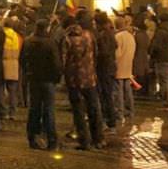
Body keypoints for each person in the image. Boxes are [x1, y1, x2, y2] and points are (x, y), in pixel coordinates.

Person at [63, 14, 104, 150]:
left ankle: (84, 140)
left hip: (74, 79)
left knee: (78, 110)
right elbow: (96, 54)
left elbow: (64, 60)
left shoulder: (68, 39)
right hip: (90, 77)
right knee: (94, 108)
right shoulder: (90, 36)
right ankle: (98, 138)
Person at [21, 19, 61, 150]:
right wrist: (56, 78)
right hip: (48, 80)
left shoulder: (27, 41)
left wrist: (27, 73)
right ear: (46, 28)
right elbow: (56, 63)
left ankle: (32, 137)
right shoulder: (50, 43)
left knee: (34, 108)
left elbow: (22, 60)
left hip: (33, 79)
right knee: (49, 110)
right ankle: (51, 139)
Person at [150, 13, 168, 108]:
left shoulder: (160, 31)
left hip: (161, 58)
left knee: (163, 80)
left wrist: (151, 53)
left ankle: (167, 101)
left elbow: (156, 46)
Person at [114, 16, 136, 124]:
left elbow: (117, 53)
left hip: (120, 66)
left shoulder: (118, 36)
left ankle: (120, 112)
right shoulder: (130, 36)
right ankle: (131, 111)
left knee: (119, 91)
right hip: (128, 66)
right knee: (128, 90)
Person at [1, 17, 22, 121]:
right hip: (14, 64)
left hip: (2, 64)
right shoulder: (17, 37)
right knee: (12, 90)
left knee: (0, 89)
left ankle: (2, 111)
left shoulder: (1, 34)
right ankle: (12, 112)